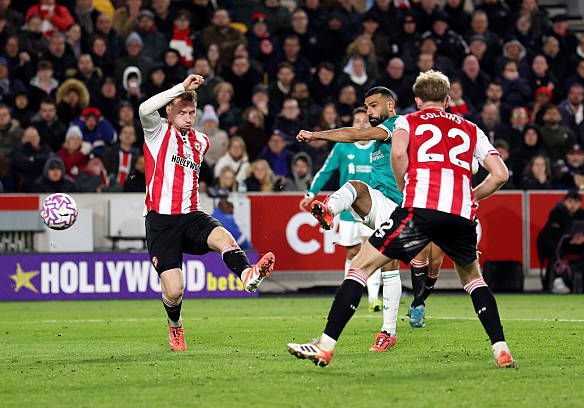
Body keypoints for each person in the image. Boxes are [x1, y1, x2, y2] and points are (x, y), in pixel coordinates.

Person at [289, 71, 516, 369]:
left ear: (417, 100)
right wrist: (471, 196)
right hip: (460, 214)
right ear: (447, 100)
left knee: (360, 266)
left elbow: (398, 154)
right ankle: (501, 349)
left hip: (420, 209)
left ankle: (325, 346)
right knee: (474, 280)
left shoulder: (407, 122)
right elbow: (500, 174)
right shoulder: (472, 128)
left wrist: (405, 189)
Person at [138, 74, 275, 352]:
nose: (188, 118)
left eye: (192, 113)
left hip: (191, 215)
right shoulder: (156, 131)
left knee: (224, 237)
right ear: (169, 110)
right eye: (182, 113)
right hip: (161, 221)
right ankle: (175, 326)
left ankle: (247, 276)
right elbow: (144, 108)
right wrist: (181, 87)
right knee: (174, 290)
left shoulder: (201, 141)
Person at [295, 87, 405, 351]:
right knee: (355, 186)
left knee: (390, 266)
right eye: (366, 107)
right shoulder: (380, 141)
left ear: (390, 105)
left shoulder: (397, 125)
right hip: (380, 202)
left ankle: (389, 331)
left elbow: (356, 133)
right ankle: (329, 210)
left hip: (403, 207)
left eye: (373, 105)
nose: (368, 112)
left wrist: (316, 135)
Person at [300, 107, 382, 313]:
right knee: (352, 251)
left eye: (365, 121)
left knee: (372, 250)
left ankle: (374, 298)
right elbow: (326, 170)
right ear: (352, 124)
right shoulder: (342, 148)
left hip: (373, 207)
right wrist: (311, 194)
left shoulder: (379, 145)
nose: (361, 124)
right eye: (357, 121)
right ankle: (350, 295)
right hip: (348, 211)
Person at [537, 191, 584, 293]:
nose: (572, 205)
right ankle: (558, 279)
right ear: (565, 202)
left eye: (576, 202)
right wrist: (569, 240)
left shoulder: (582, 214)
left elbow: (582, 230)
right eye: (570, 202)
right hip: (549, 242)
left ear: (580, 204)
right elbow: (554, 233)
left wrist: (581, 239)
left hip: (571, 242)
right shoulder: (556, 212)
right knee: (557, 248)